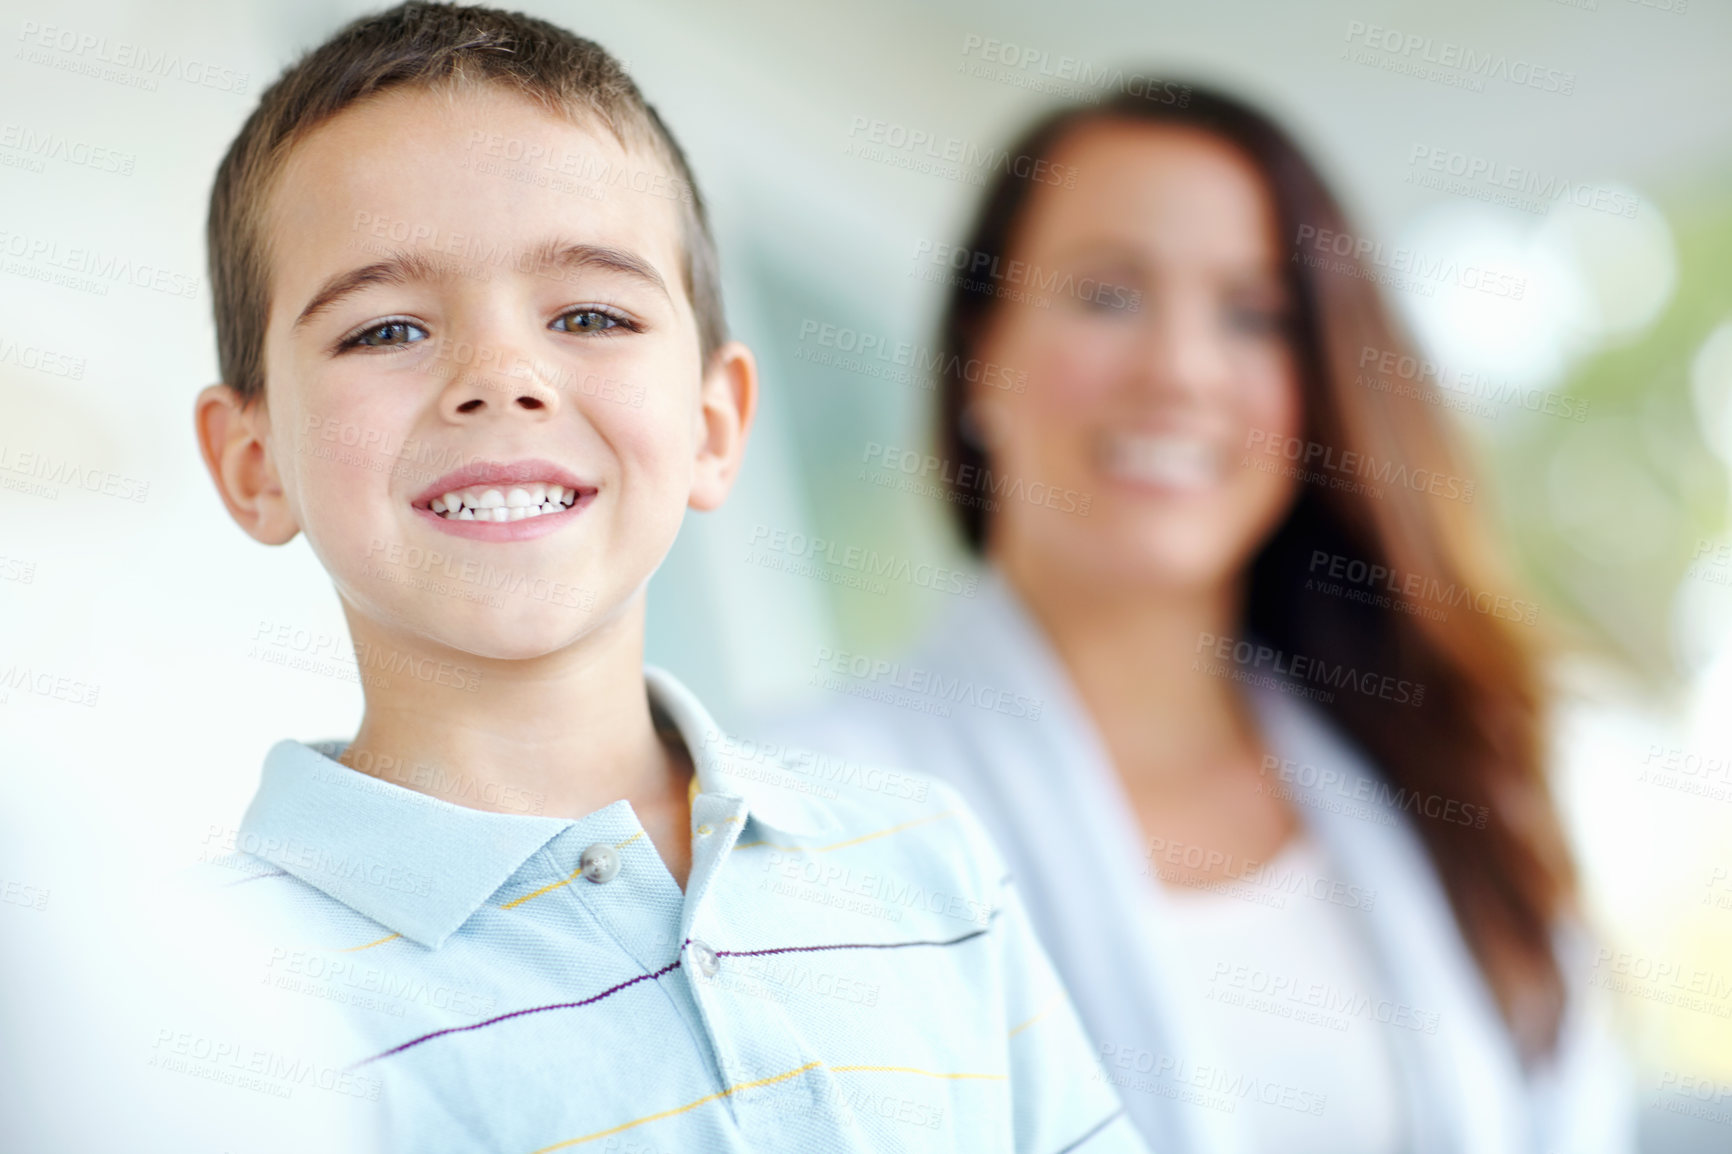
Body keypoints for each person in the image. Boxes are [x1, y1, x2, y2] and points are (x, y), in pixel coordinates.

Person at [187, 5, 1148, 1152]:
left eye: (590, 313)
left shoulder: (922, 855)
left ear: (713, 421)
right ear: (252, 463)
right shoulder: (205, 997)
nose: (501, 377)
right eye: (386, 329)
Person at [762, 85, 1633, 1154]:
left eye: (1255, 315)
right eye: (1107, 295)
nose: (1179, 368)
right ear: (978, 359)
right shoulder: (798, 810)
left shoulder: (1440, 776)